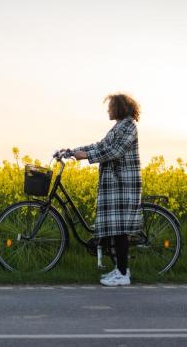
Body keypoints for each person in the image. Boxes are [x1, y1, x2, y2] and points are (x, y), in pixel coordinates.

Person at [64, 93, 142, 286]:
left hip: (123, 185)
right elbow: (100, 145)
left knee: (120, 230)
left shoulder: (129, 125)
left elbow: (115, 151)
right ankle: (120, 270)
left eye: (110, 107)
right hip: (114, 185)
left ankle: (123, 275)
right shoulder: (119, 126)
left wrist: (85, 156)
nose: (108, 110)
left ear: (119, 108)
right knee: (115, 229)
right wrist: (73, 151)